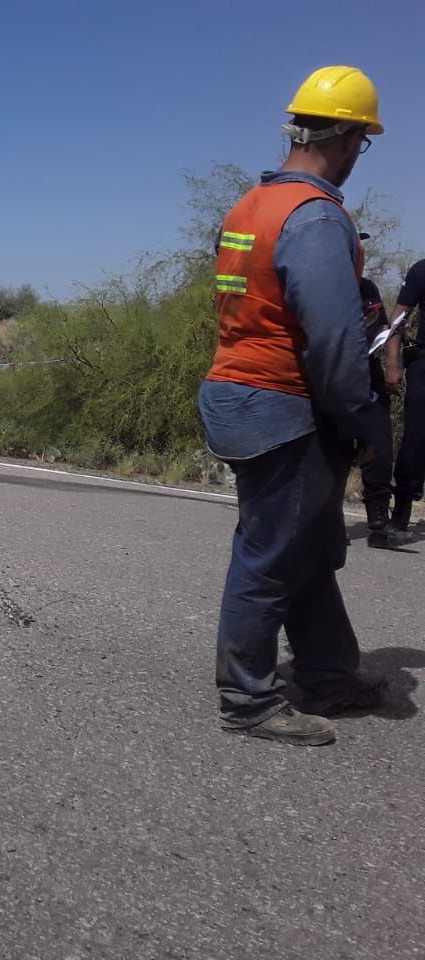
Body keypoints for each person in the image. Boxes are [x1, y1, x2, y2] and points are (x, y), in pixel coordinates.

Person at [198, 65, 388, 746]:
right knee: (272, 553)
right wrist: (359, 418)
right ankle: (247, 701)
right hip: (283, 402)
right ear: (349, 139)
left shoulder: (249, 207)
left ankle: (330, 675)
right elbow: (334, 339)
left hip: (236, 391)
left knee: (303, 542)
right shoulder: (315, 216)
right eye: (363, 142)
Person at [357, 270, 405, 547]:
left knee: (380, 446)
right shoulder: (318, 283)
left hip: (368, 373)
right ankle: (323, 521)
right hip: (329, 374)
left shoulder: (367, 288)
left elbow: (384, 328)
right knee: (328, 450)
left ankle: (379, 524)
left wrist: (392, 363)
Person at [382, 259, 425, 531]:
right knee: (415, 442)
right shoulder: (422, 270)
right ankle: (401, 509)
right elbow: (398, 318)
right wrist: (393, 364)